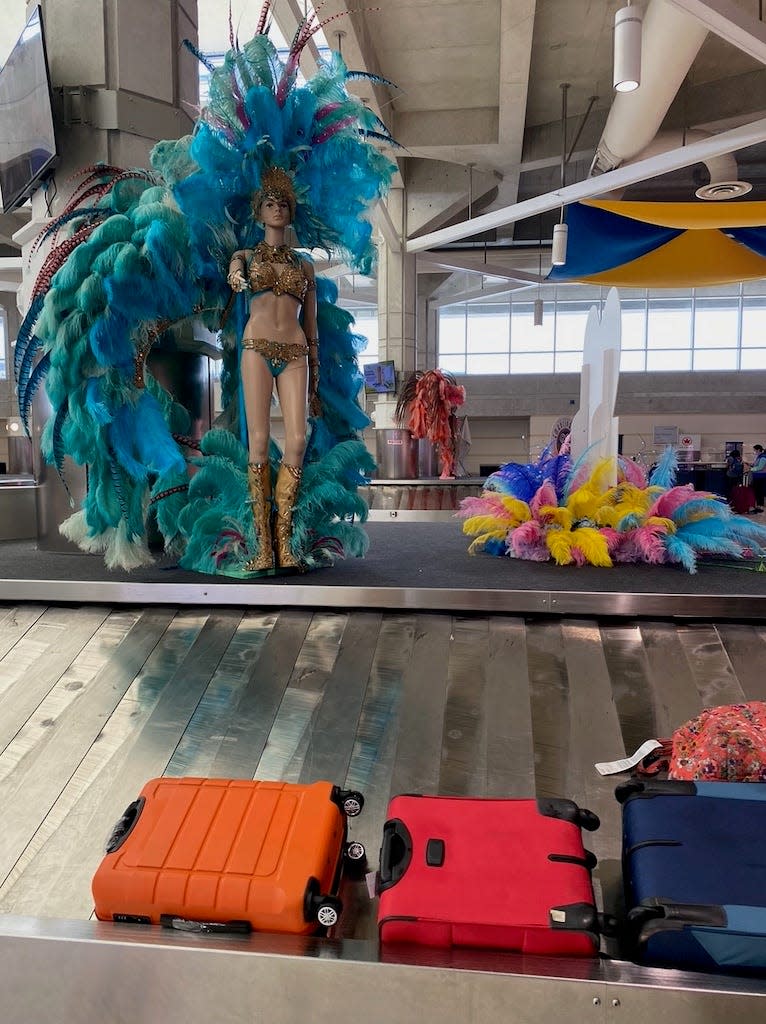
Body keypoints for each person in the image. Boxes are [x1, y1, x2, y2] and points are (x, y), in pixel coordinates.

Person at [226, 168, 319, 571]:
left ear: (292, 211)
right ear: (258, 212)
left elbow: (312, 327)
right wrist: (235, 277)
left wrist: (317, 381)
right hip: (256, 348)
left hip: (296, 350)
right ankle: (264, 546)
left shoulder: (305, 266)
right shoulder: (245, 257)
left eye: (284, 204)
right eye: (270, 203)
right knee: (259, 440)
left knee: (297, 439)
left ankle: (284, 542)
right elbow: (234, 277)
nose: (278, 209)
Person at [751, 444, 766, 510]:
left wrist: (750, 469)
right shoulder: (758, 457)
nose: (754, 451)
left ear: (758, 450)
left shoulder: (763, 457)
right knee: (757, 491)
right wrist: (751, 465)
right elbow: (755, 465)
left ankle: (760, 505)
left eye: (754, 450)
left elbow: (760, 467)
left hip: (761, 477)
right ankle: (758, 505)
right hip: (757, 477)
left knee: (760, 492)